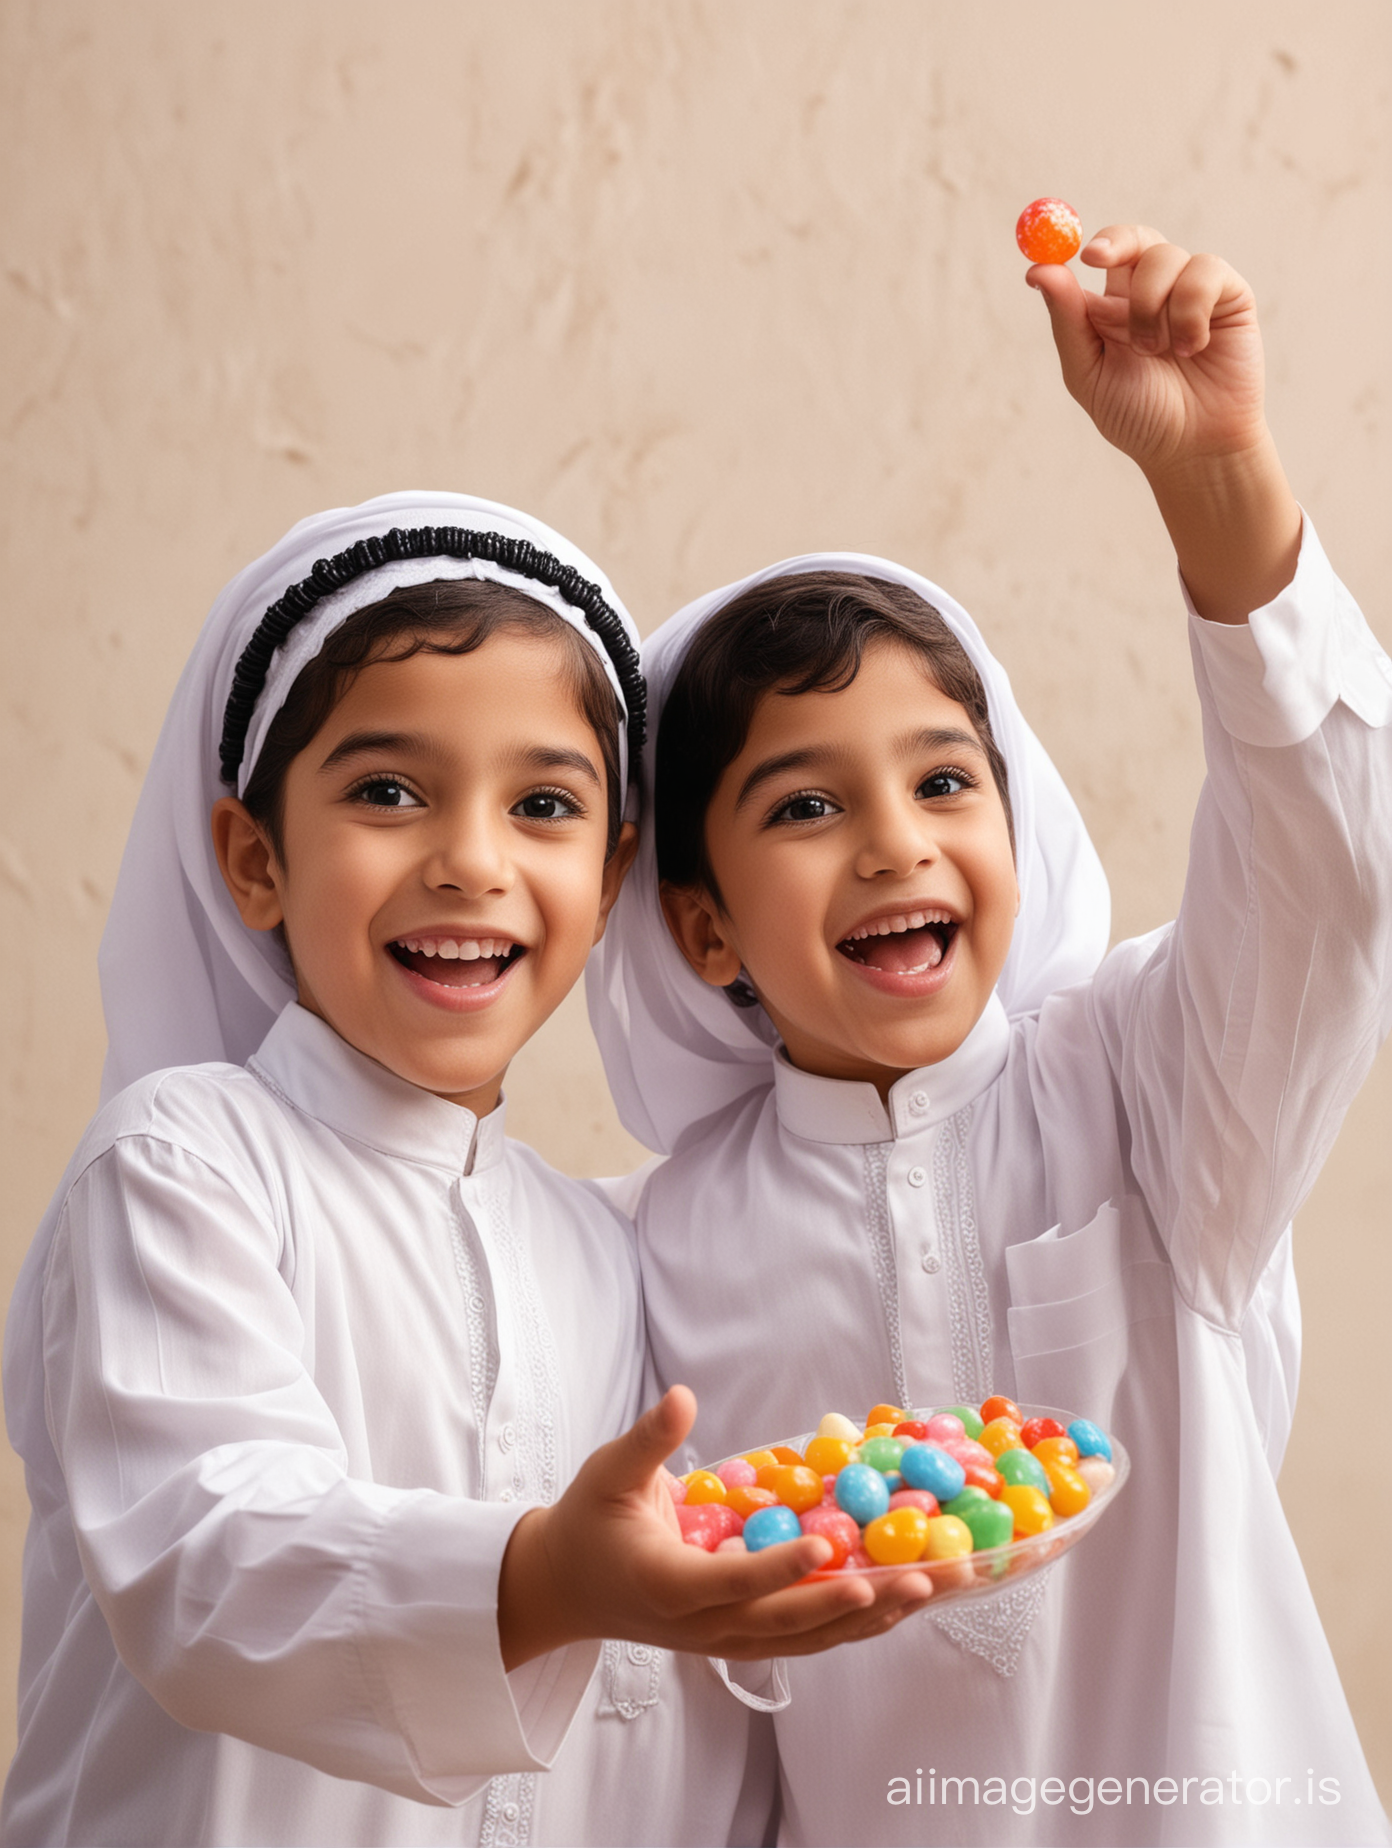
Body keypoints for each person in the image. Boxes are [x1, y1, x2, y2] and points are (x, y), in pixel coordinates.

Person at [587, 228, 1392, 1844]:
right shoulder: (654, 1250)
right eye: (806, 805)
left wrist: (1215, 471)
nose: (897, 843)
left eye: (946, 781)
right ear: (702, 926)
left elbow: (1330, 873)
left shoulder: (1142, 1092)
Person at [1, 491, 931, 1848]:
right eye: (389, 792)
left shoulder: (607, 1249)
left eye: (544, 804)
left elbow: (668, 1731)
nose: (471, 862)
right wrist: (548, 1576)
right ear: (255, 860)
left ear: (613, 878)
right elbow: (210, 1561)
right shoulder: (183, 1164)